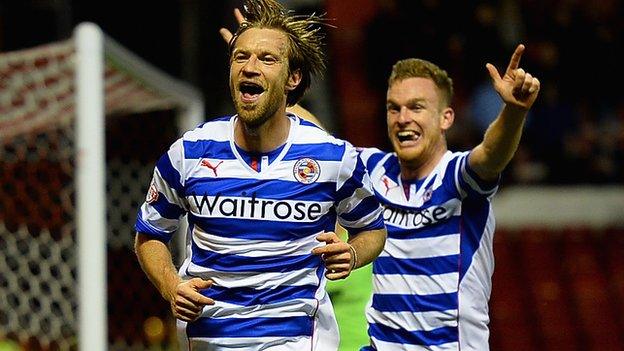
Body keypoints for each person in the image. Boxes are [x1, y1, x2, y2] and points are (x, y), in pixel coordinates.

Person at [220, 8, 540, 350]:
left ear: (446, 117)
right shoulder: (372, 169)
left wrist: (514, 113)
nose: (403, 118)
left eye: (416, 107)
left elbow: (492, 153)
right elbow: (314, 134)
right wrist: (266, 73)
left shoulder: (459, 177)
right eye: (394, 108)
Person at [133, 0, 387, 350]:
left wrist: (353, 253)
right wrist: (170, 285)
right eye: (241, 57)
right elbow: (149, 235)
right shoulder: (188, 153)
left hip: (296, 339)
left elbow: (373, 229)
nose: (250, 67)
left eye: (267, 59)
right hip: (211, 339)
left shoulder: (333, 157)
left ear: (293, 78)